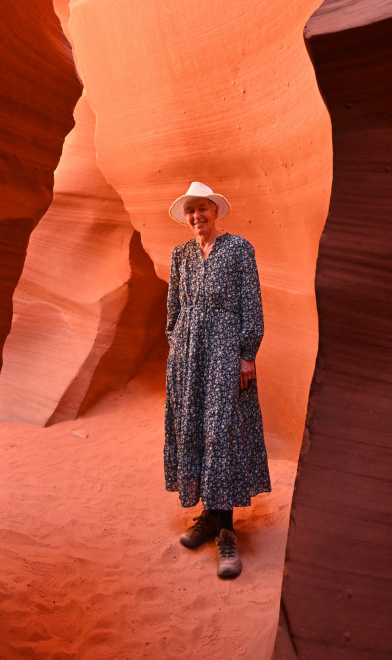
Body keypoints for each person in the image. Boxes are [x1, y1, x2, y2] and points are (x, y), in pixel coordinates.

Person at [164, 181, 271, 579]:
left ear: (215, 211)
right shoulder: (180, 255)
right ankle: (210, 516)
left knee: (221, 432)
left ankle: (226, 531)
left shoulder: (239, 249)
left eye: (202, 209)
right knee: (195, 429)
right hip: (189, 356)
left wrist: (247, 353)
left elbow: (251, 303)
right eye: (191, 210)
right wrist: (177, 346)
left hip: (227, 352)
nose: (197, 216)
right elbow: (173, 309)